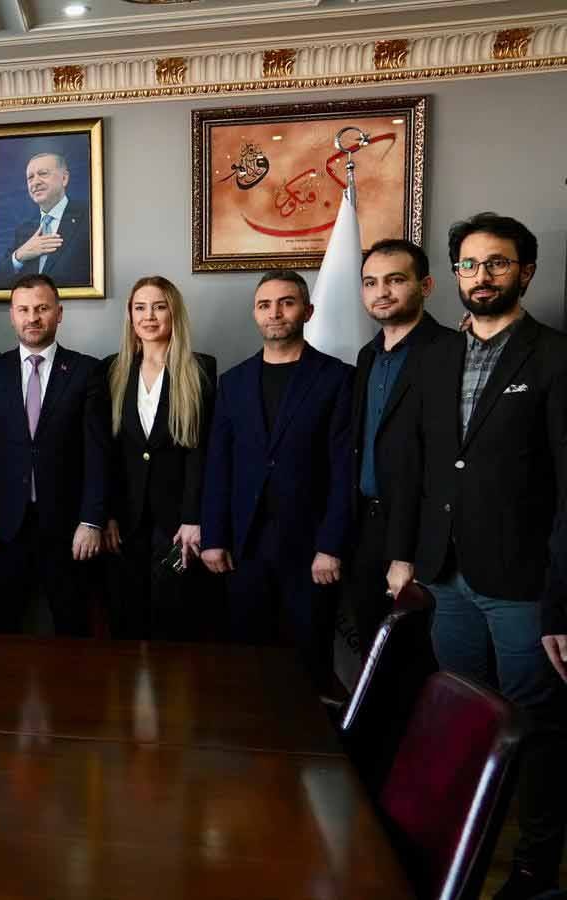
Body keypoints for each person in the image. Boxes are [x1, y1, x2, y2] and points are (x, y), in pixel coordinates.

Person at [385, 213, 567, 899]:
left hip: (524, 585)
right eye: (469, 264)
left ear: (526, 272)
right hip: (445, 577)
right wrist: (403, 556)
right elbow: (415, 467)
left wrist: (563, 603)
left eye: (497, 263)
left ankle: (534, 870)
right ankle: (456, 854)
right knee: (465, 724)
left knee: (537, 731)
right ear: (454, 274)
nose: (481, 276)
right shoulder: (434, 357)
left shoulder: (554, 357)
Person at [199, 270, 353, 696]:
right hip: (244, 548)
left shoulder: (337, 378)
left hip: (310, 550)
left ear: (308, 310)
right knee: (248, 662)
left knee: (309, 662)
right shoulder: (233, 382)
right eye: (265, 305)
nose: (275, 313)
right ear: (255, 313)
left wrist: (331, 545)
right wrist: (214, 537)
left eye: (286, 302)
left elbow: (344, 469)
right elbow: (219, 466)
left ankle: (310, 736)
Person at [0, 273, 108, 635]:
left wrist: (91, 521)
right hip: (4, 527)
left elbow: (97, 455)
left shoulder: (86, 371)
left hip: (68, 528)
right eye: (24, 309)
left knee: (73, 627)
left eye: (42, 308)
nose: (33, 318)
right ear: (12, 316)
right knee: (0, 630)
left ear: (59, 313)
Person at [345, 239, 451, 654]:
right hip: (366, 526)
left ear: (426, 286)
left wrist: (405, 554)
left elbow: (439, 463)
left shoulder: (450, 350)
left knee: (416, 655)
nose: (382, 292)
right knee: (372, 651)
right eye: (371, 282)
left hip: (421, 531)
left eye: (395, 280)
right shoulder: (367, 356)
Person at [99, 276, 217, 641]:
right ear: (130, 316)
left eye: (159, 307)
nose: (149, 316)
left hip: (178, 524)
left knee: (174, 617)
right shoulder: (112, 370)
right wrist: (107, 514)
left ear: (173, 313)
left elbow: (201, 451)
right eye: (140, 308)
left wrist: (193, 517)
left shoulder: (200, 369)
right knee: (125, 618)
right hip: (124, 522)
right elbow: (106, 453)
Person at [0, 152, 92, 289]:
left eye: (43, 173)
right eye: (30, 177)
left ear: (64, 178)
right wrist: (20, 255)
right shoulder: (24, 230)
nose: (35, 182)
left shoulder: (89, 218)